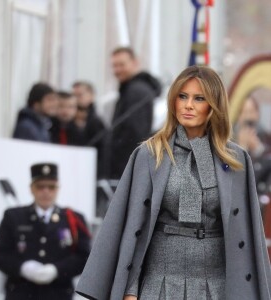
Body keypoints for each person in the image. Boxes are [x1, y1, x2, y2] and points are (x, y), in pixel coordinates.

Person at [76, 65, 271, 300]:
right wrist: (130, 290)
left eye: (199, 98)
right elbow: (132, 227)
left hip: (217, 286)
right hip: (158, 283)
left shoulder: (236, 160)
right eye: (182, 96)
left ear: (214, 105)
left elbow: (247, 233)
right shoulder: (149, 154)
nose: (188, 105)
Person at [0, 163, 91, 300]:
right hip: (21, 293)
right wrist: (22, 267)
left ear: (58, 189)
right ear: (31, 188)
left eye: (51, 187)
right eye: (40, 186)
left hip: (58, 294)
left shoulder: (73, 219)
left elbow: (84, 257)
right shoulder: (13, 217)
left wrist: (57, 270)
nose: (46, 191)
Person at [110, 47, 161, 179]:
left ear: (135, 63)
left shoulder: (136, 91)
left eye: (121, 64)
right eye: (114, 66)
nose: (117, 70)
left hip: (126, 166)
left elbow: (135, 133)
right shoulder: (131, 89)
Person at [72, 81, 106, 177]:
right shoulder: (66, 122)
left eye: (80, 95)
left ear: (91, 96)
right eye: (73, 95)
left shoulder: (97, 123)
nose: (76, 99)